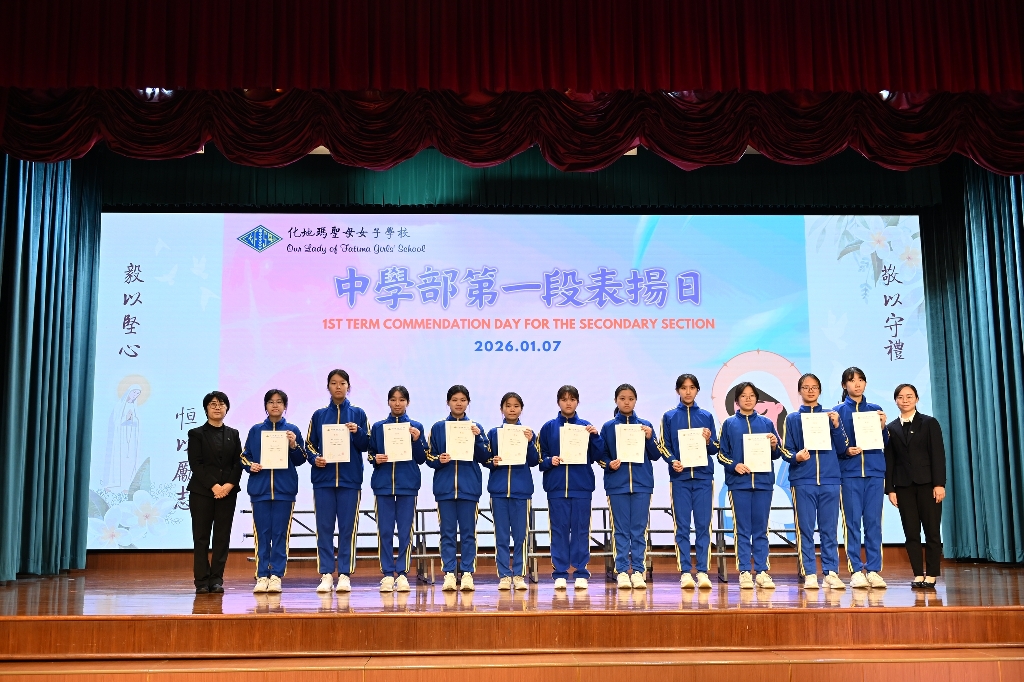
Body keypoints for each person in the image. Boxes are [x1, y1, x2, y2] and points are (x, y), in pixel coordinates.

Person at [304, 369, 370, 594]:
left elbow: (367, 444)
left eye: (342, 383)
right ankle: (325, 573)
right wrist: (315, 458)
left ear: (348, 386)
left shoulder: (358, 414)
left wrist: (357, 432)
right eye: (333, 383)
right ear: (328, 387)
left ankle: (344, 574)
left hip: (350, 480)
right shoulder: (319, 415)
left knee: (347, 528)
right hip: (323, 480)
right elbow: (309, 445)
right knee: (324, 528)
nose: (338, 387)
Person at [781, 373, 849, 590]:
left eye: (814, 387)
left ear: (819, 390)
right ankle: (810, 573)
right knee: (805, 529)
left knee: (830, 529)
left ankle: (831, 572)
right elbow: (786, 450)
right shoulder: (792, 418)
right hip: (803, 480)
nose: (810, 391)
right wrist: (796, 457)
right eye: (806, 387)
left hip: (830, 480)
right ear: (799, 391)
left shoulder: (831, 416)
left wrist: (836, 426)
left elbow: (843, 448)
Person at [241, 389, 307, 593]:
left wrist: (293, 445)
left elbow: (301, 459)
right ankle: (262, 575)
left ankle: (276, 575)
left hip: (284, 490)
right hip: (260, 490)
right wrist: (250, 465)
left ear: (285, 406)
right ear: (265, 406)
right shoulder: (256, 430)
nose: (275, 405)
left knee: (280, 533)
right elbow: (244, 456)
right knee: (262, 534)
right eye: (271, 402)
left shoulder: (292, 430)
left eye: (279, 402)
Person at [539, 385, 604, 590]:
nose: (568, 403)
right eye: (564, 399)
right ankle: (559, 573)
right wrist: (550, 461)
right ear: (558, 402)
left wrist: (596, 436)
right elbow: (539, 458)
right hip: (556, 487)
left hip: (581, 486)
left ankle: (580, 572)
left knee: (581, 530)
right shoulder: (548, 428)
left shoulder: (586, 427)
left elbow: (598, 456)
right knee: (558, 530)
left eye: (572, 399)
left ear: (577, 402)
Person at [718, 382, 782, 589]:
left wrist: (774, 445)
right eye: (743, 396)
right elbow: (721, 454)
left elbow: (777, 453)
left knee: (761, 529)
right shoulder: (729, 424)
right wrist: (734, 465)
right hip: (739, 484)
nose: (748, 399)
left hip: (763, 483)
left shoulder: (766, 423)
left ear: (757, 399)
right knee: (742, 529)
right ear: (737, 400)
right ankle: (745, 571)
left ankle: (762, 571)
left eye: (752, 395)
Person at [426, 385, 490, 592]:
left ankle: (468, 572)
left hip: (469, 488)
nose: (459, 403)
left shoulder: (475, 427)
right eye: (455, 400)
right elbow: (429, 457)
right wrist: (439, 459)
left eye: (463, 400)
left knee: (469, 533)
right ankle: (449, 573)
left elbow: (485, 457)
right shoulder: (438, 427)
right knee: (447, 533)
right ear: (448, 402)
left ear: (468, 403)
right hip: (445, 489)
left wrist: (478, 437)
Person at [598, 384, 662, 590]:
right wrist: (609, 464)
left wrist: (650, 438)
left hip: (642, 484)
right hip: (617, 485)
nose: (626, 402)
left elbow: (656, 455)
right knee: (621, 530)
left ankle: (638, 571)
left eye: (631, 398)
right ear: (616, 400)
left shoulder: (645, 425)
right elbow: (601, 455)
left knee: (639, 530)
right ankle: (622, 571)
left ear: (636, 401)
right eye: (622, 398)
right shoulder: (608, 427)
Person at [659, 373, 718, 590]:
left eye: (692, 387)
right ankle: (685, 571)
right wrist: (672, 461)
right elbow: (663, 445)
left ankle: (702, 571)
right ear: (678, 391)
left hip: (703, 477)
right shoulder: (669, 416)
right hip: (680, 478)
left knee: (703, 526)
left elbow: (715, 448)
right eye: (684, 388)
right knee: (682, 526)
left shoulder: (706, 416)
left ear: (697, 390)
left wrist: (708, 440)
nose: (688, 391)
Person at [884, 383, 946, 588]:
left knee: (932, 532)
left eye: (909, 396)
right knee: (911, 533)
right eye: (901, 397)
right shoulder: (891, 428)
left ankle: (932, 574)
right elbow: (890, 460)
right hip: (903, 486)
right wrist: (890, 489)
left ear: (917, 399)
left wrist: (939, 484)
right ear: (896, 401)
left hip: (928, 485)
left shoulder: (929, 423)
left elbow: (938, 455)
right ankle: (918, 574)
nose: (905, 400)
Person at [834, 367, 889, 589]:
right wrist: (846, 451)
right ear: (844, 385)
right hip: (850, 474)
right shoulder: (837, 412)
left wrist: (883, 427)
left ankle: (874, 569)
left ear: (865, 383)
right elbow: (834, 446)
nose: (857, 384)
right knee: (852, 523)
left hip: (874, 472)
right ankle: (856, 569)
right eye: (851, 380)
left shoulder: (875, 410)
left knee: (874, 523)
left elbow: (885, 442)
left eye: (860, 380)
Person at [368, 385, 428, 593]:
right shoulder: (378, 427)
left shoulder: (415, 427)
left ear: (407, 402)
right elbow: (370, 453)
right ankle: (387, 574)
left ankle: (402, 573)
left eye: (401, 400)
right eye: (393, 399)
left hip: (407, 485)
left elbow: (422, 458)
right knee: (384, 531)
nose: (397, 403)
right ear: (388, 402)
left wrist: (417, 440)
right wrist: (375, 459)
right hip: (383, 485)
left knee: (405, 532)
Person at [187, 391, 243, 594]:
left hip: (227, 494)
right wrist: (214, 486)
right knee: (201, 537)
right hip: (202, 493)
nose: (217, 407)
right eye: (213, 404)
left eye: (221, 404)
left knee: (222, 536)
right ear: (206, 409)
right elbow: (196, 464)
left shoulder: (233, 434)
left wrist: (228, 485)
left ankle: (217, 579)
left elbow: (238, 462)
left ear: (227, 408)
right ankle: (201, 581)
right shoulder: (196, 434)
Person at [484, 392, 540, 591]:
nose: (512, 409)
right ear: (502, 409)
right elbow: (486, 459)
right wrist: (492, 461)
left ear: (521, 409)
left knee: (520, 536)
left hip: (521, 491)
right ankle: (504, 576)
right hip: (498, 491)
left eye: (516, 406)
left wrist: (530, 442)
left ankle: (518, 574)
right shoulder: (493, 433)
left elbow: (534, 461)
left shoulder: (528, 432)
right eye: (508, 406)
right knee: (501, 536)